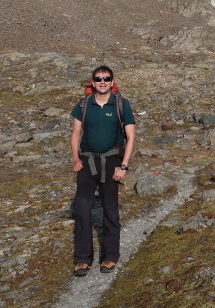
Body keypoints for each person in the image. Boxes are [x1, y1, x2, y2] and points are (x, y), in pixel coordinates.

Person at [69, 66, 135, 277]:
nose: (102, 82)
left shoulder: (122, 104)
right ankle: (82, 259)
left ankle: (111, 255)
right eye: (98, 79)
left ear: (112, 81)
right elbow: (75, 133)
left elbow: (131, 137)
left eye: (106, 78)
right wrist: (75, 158)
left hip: (111, 161)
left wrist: (123, 165)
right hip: (87, 161)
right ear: (93, 82)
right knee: (81, 209)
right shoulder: (83, 105)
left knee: (110, 209)